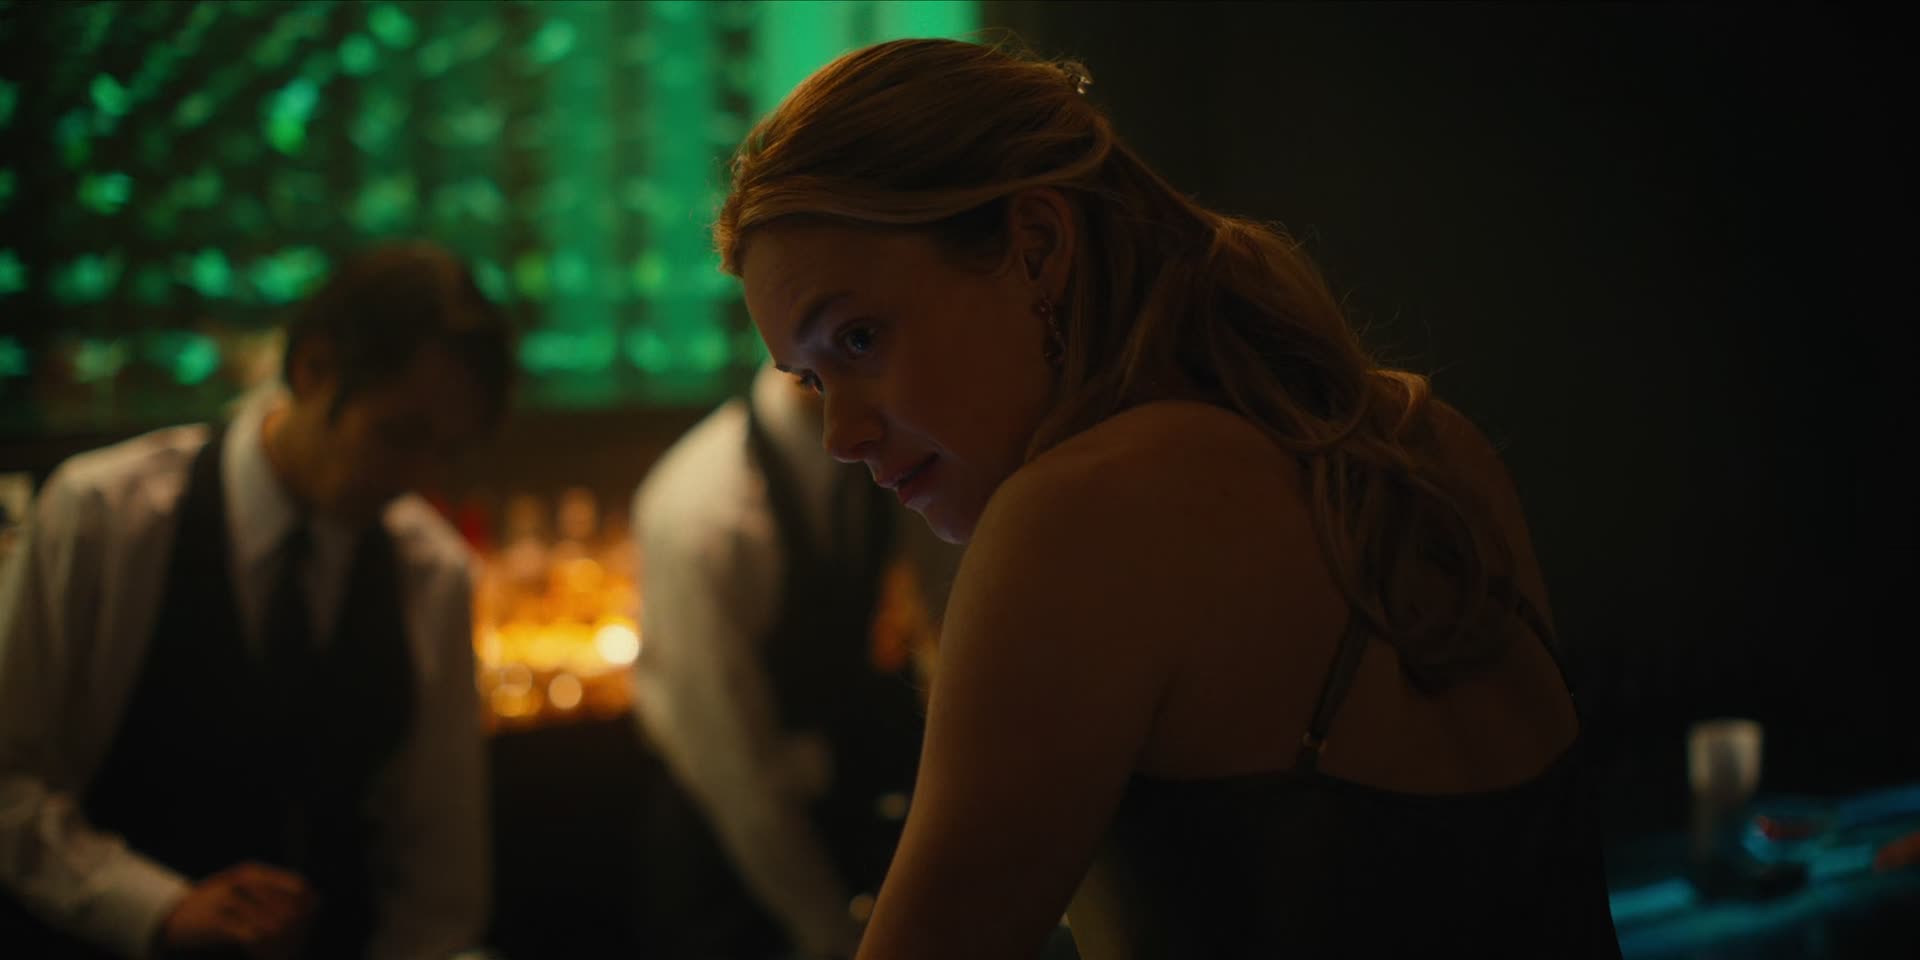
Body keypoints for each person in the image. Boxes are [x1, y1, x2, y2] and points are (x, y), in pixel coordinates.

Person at [712, 37, 1623, 959]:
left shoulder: (1076, 522)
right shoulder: (1431, 441)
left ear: (1036, 248)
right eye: (813, 381)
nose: (842, 436)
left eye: (859, 339)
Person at [0, 242, 513, 959]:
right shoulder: (104, 518)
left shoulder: (431, 572)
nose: (422, 475)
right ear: (313, 368)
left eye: (448, 451)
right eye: (400, 435)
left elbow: (440, 874)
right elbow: (12, 785)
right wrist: (156, 908)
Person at [630, 360, 956, 959]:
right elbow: (728, 764)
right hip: (725, 848)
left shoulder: (886, 453)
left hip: (841, 807)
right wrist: (829, 933)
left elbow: (949, 620)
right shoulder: (702, 508)